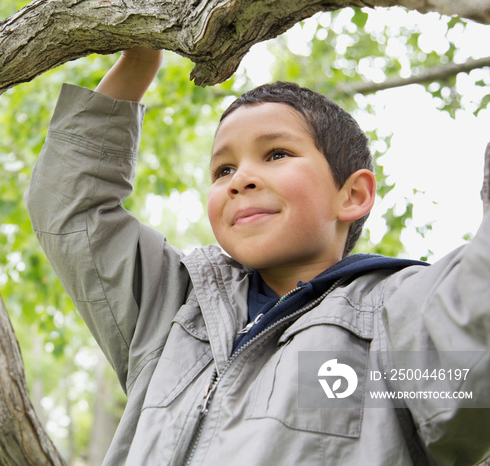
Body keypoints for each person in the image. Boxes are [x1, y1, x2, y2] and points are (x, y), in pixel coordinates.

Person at [25, 48, 490, 465]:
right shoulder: (171, 312)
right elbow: (70, 205)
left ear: (352, 195)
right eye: (224, 168)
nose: (239, 179)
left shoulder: (395, 319)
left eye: (276, 154)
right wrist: (140, 59)